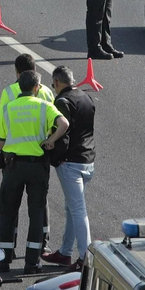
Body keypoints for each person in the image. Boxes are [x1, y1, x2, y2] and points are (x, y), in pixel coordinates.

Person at [0, 70, 68, 275]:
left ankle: (3, 260)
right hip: (37, 166)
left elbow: (1, 140)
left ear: (19, 86)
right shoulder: (44, 106)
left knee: (7, 212)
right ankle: (32, 262)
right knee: (36, 213)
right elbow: (64, 124)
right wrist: (50, 141)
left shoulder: (8, 108)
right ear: (37, 87)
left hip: (14, 166)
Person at [42, 66, 95, 271]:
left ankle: (85, 258)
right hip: (88, 160)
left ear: (56, 82)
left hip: (70, 163)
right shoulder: (86, 97)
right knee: (72, 208)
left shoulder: (62, 102)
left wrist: (56, 156)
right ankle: (65, 253)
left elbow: (62, 135)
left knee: (78, 210)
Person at [0, 54, 54, 123]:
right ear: (34, 69)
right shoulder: (47, 91)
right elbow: (55, 118)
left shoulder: (9, 91)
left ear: (17, 71)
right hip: (44, 133)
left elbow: (0, 120)